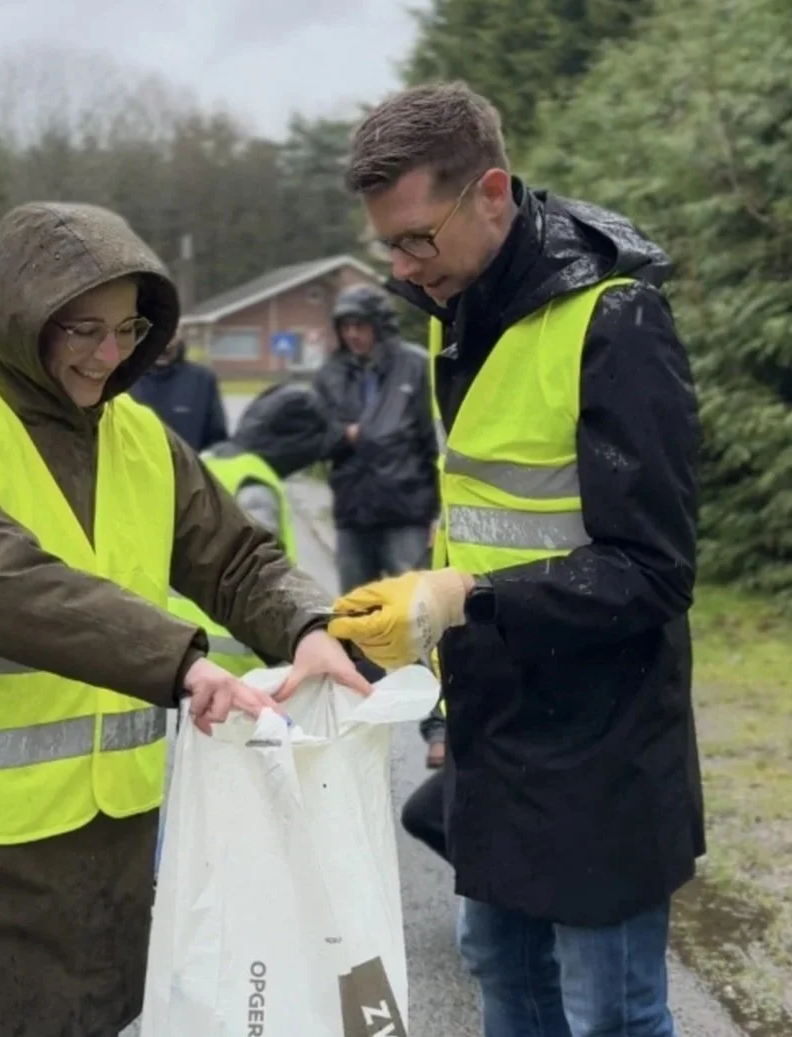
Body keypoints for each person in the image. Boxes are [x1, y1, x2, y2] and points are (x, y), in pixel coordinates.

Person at [0, 201, 371, 1037]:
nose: (108, 354)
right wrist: (182, 660)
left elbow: (236, 560)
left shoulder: (143, 439)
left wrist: (309, 624)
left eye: (127, 328)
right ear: (23, 319)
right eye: (81, 329)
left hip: (110, 851)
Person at [329, 81, 703, 1037]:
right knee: (499, 965)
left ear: (491, 192)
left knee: (609, 1010)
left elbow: (652, 571)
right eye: (389, 246)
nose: (406, 268)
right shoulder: (456, 306)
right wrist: (429, 604)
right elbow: (489, 511)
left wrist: (463, 598)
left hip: (603, 736)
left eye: (419, 238)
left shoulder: (615, 323)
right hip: (497, 718)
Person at [168, 381, 336, 675]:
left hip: (180, 646)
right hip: (235, 654)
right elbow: (261, 578)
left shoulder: (210, 459)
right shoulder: (255, 483)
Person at [313, 284, 439, 594]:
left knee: (413, 611)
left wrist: (439, 514)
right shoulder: (330, 374)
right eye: (345, 326)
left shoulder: (415, 366)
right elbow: (314, 437)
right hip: (353, 516)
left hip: (407, 513)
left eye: (360, 325)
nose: (352, 334)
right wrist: (347, 436)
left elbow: (434, 441)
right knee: (357, 614)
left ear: (379, 325)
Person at [129, 329, 228, 452]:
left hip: (188, 468)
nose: (164, 345)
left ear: (180, 338)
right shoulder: (125, 379)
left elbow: (216, 437)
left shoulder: (202, 379)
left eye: (170, 336)